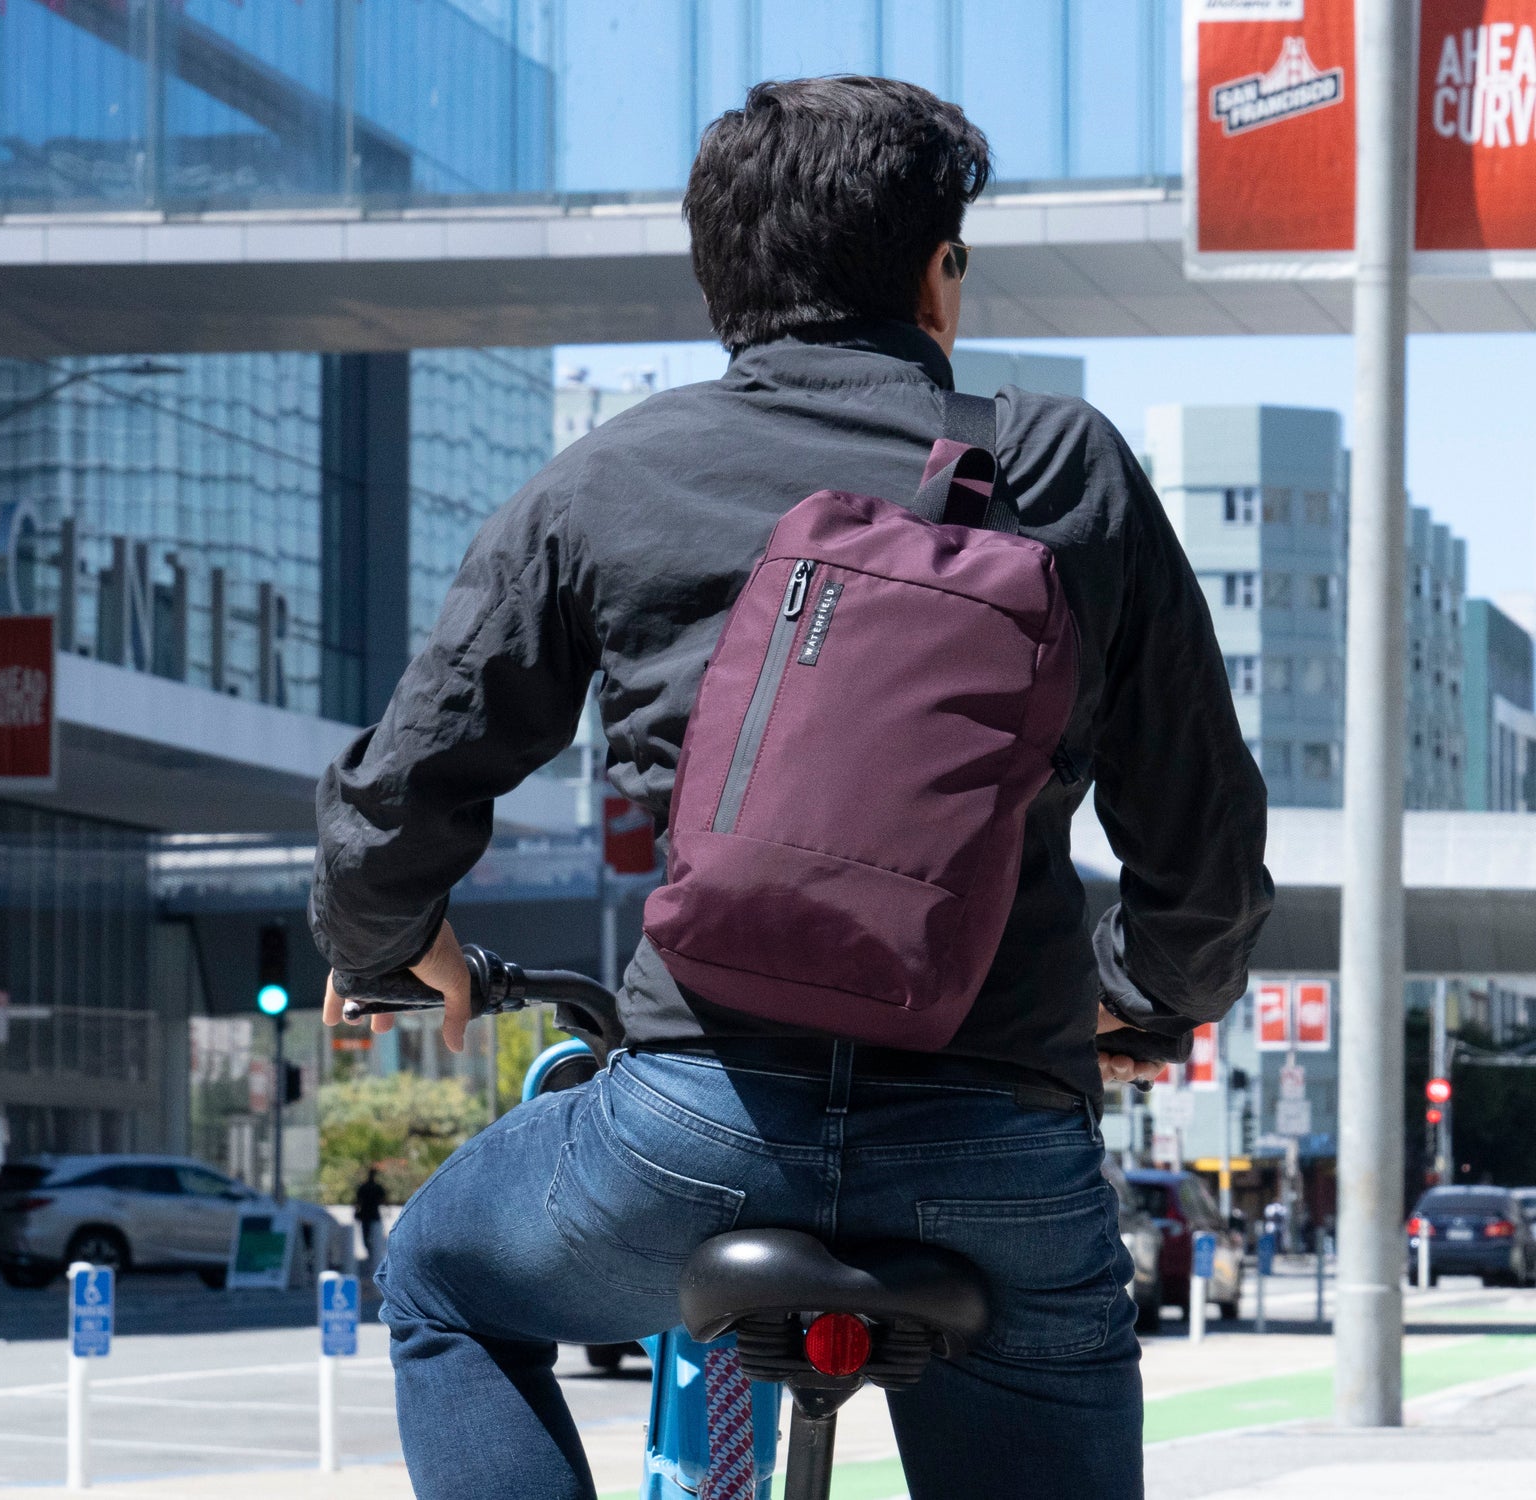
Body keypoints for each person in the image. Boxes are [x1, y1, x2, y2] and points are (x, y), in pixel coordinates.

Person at [312, 76, 1272, 1500]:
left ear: (722, 285)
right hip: (996, 1137)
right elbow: (1204, 845)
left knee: (442, 1281)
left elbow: (403, 790)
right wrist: (1139, 996)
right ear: (938, 272)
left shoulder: (610, 479)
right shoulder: (1068, 467)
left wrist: (393, 943)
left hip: (694, 1133)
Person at [354, 1166, 387, 1270]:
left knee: (367, 1235)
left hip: (367, 1214)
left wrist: (356, 1211)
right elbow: (384, 1200)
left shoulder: (365, 1187)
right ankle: (372, 1252)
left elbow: (358, 1201)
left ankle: (371, 1252)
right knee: (371, 1235)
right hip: (372, 1214)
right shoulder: (376, 1187)